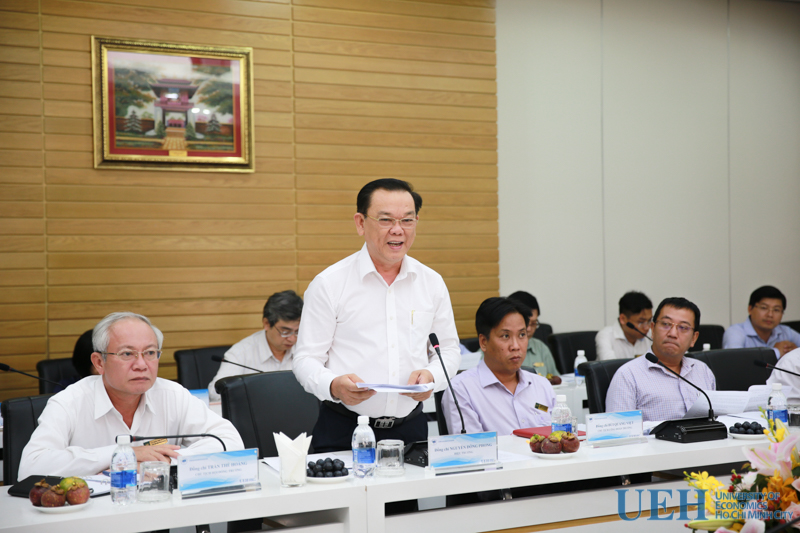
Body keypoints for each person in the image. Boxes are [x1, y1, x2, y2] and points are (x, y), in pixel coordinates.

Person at [293, 178, 461, 453]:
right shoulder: (330, 283)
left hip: (411, 429)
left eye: (407, 220)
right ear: (360, 223)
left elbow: (450, 350)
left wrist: (432, 376)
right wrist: (333, 385)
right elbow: (305, 359)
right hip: (344, 429)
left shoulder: (431, 282)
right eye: (385, 220)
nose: (398, 230)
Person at [18, 312, 244, 480]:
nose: (141, 364)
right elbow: (30, 468)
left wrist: (162, 462)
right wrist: (124, 456)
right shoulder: (69, 402)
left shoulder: (173, 395)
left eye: (150, 353)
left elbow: (230, 442)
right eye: (127, 354)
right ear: (99, 362)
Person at [442, 297, 556, 435]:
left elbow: (562, 436)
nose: (516, 346)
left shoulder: (542, 385)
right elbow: (471, 446)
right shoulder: (461, 390)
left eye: (522, 334)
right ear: (483, 342)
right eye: (505, 336)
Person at [606, 297, 715, 421]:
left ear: (694, 338)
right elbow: (619, 430)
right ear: (652, 329)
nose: (673, 334)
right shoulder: (628, 376)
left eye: (683, 327)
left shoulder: (703, 371)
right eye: (666, 324)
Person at [207, 290, 303, 401]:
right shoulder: (241, 353)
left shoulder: (306, 348)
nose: (292, 338)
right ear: (267, 324)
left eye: (297, 331)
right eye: (285, 331)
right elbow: (215, 393)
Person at [723, 285, 800, 359]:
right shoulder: (735, 332)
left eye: (776, 310)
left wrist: (796, 352)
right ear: (750, 309)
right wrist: (776, 352)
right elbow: (734, 360)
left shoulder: (786, 332)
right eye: (764, 308)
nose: (770, 314)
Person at [501, 291, 560, 384]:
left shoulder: (541, 348)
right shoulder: (493, 350)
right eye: (525, 323)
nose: (528, 329)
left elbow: (556, 381)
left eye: (533, 323)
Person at [595, 291, 653, 361]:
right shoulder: (606, 336)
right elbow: (609, 366)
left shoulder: (651, 335)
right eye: (641, 322)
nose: (647, 327)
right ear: (623, 319)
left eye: (649, 321)